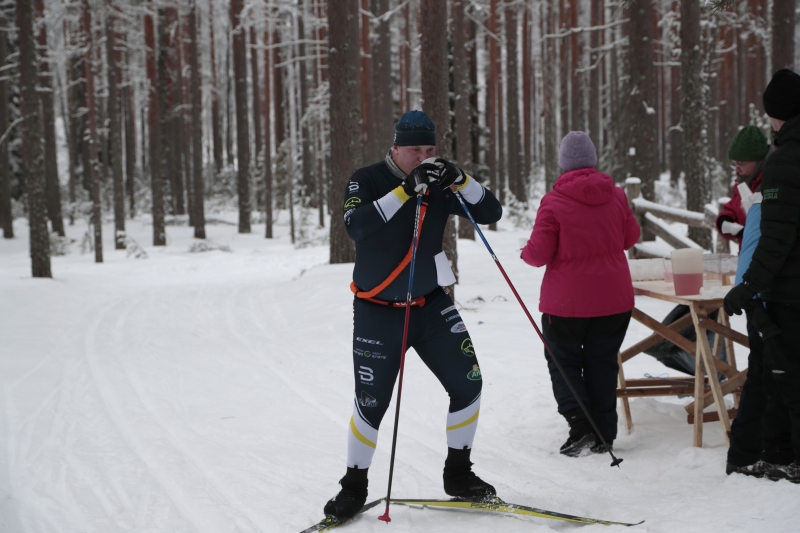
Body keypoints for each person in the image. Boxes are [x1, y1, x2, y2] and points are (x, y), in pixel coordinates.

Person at [323, 110, 503, 518]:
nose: (422, 157)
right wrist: (405, 190)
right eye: (414, 150)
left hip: (430, 305)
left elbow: (491, 212)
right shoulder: (366, 178)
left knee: (469, 383)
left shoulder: (438, 184)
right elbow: (357, 225)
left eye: (430, 150)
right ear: (396, 147)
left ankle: (459, 473)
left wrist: (460, 179)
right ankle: (353, 486)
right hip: (377, 311)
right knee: (372, 400)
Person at [521, 131, 640, 457]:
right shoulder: (617, 196)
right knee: (602, 363)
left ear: (562, 165)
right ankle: (603, 434)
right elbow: (631, 237)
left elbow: (538, 254)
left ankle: (580, 425)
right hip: (614, 300)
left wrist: (524, 252)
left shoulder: (554, 201)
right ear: (593, 160)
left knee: (564, 362)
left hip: (567, 303)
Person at [724, 68, 800, 483]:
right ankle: (775, 452)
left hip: (780, 293)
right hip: (777, 287)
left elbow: (776, 236)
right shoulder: (764, 174)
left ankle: (762, 453)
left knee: (774, 378)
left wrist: (749, 287)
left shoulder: (783, 162)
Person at [716, 125, 770, 246]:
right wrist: (725, 220)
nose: (737, 170)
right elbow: (734, 207)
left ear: (758, 160)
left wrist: (751, 228)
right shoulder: (743, 181)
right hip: (748, 255)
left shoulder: (773, 181)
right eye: (734, 164)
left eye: (741, 164)